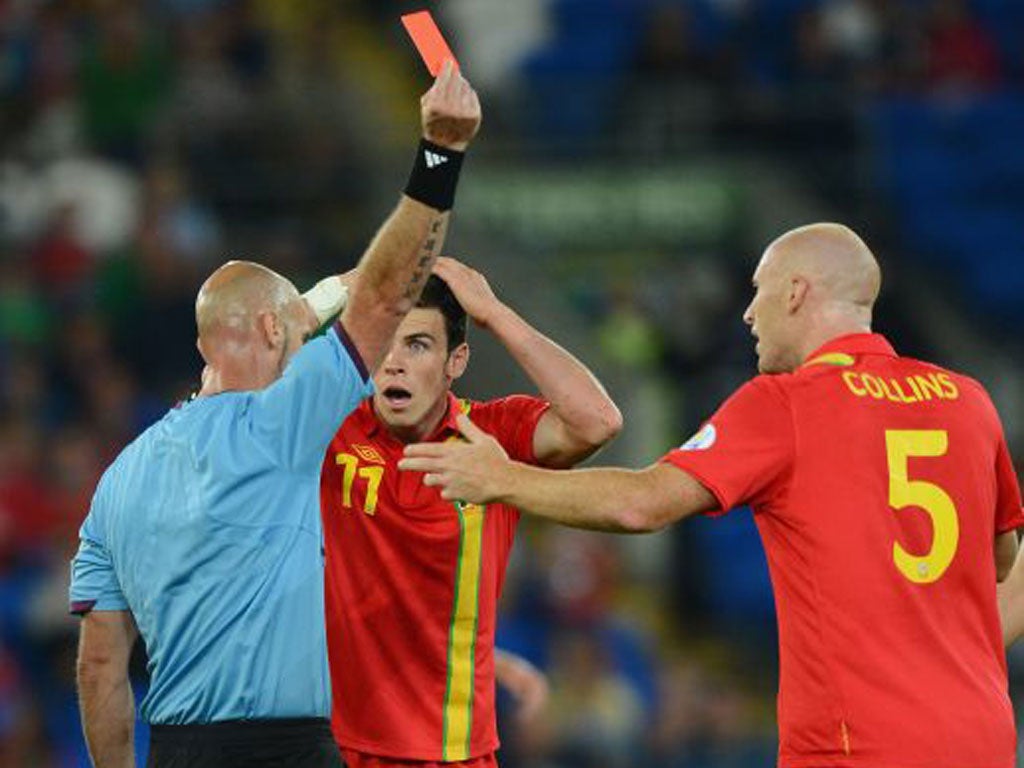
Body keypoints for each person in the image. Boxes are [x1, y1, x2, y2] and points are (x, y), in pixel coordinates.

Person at [401, 223, 1024, 768]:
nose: (749, 314)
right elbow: (1004, 566)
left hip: (856, 746)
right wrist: (941, 663)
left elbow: (642, 502)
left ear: (796, 293)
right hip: (983, 737)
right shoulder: (967, 400)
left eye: (758, 291)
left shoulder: (786, 404)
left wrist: (502, 478)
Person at [69, 61, 482, 768]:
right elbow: (382, 300)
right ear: (268, 333)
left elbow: (99, 670)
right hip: (287, 750)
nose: (307, 348)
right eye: (295, 335)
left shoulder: (119, 479)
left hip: (176, 752)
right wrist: (439, 155)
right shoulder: (281, 425)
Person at [320, 257, 621, 768]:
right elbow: (235, 363)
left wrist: (495, 313)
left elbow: (597, 422)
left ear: (455, 361)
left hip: (451, 752)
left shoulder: (492, 436)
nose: (393, 362)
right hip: (332, 745)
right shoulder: (326, 426)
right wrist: (336, 289)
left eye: (417, 344)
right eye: (384, 343)